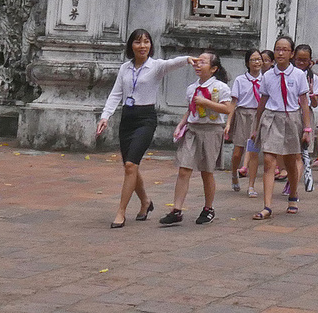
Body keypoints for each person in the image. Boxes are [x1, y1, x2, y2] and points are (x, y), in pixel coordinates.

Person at [95, 29, 195, 228]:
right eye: (138, 42)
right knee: (130, 166)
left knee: (131, 165)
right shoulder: (125, 68)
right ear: (131, 46)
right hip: (127, 119)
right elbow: (116, 93)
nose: (143, 46)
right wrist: (105, 116)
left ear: (151, 45)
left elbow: (171, 63)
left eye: (146, 42)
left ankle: (121, 211)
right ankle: (146, 202)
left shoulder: (155, 66)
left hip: (145, 119)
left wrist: (188, 59)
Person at [159, 50, 234, 226]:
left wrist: (206, 103)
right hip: (193, 129)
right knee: (184, 168)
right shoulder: (192, 88)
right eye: (197, 62)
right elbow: (190, 108)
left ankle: (208, 208)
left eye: (203, 62)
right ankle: (176, 209)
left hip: (211, 130)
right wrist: (181, 124)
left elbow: (227, 109)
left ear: (214, 68)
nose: (198, 65)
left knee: (207, 172)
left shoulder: (221, 87)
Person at [251, 35, 312, 220]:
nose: (280, 52)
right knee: (269, 161)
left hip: (292, 118)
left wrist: (307, 129)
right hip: (271, 118)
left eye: (285, 49)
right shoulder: (268, 75)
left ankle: (293, 196)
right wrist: (255, 126)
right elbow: (263, 101)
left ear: (291, 53)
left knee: (291, 161)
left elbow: (303, 103)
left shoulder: (299, 75)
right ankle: (267, 206)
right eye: (277, 48)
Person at [227, 49, 266, 195]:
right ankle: (234, 175)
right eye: (253, 60)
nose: (257, 62)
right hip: (242, 115)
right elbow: (233, 103)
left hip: (258, 115)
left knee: (254, 152)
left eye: (259, 59)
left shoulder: (265, 79)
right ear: (247, 63)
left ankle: (251, 186)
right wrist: (229, 123)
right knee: (238, 152)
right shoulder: (240, 80)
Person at [292, 43, 317, 194]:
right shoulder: (289, 74)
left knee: (303, 153)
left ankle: (293, 183)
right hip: (292, 114)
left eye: (305, 60)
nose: (301, 63)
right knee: (293, 152)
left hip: (306, 115)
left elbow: (314, 103)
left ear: (310, 61)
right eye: (299, 59)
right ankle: (292, 179)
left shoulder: (313, 77)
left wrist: (312, 92)